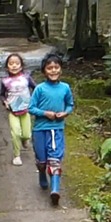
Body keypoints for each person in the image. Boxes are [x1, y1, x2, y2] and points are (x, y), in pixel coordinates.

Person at [29, 53, 74, 205]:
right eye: (50, 68)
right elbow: (31, 108)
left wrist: (65, 113)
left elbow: (70, 105)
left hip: (57, 129)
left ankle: (55, 190)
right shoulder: (40, 89)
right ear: (44, 71)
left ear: (60, 69)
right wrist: (45, 113)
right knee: (42, 160)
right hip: (40, 129)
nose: (53, 70)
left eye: (56, 67)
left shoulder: (65, 88)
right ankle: (42, 173)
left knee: (55, 160)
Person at [0, 53, 34, 166]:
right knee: (15, 134)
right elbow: (1, 95)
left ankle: (25, 140)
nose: (14, 66)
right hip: (13, 111)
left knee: (27, 134)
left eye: (17, 63)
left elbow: (36, 88)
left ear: (21, 65)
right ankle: (17, 155)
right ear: (7, 66)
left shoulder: (27, 77)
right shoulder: (5, 81)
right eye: (11, 63)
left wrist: (35, 100)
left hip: (25, 110)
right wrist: (4, 102)